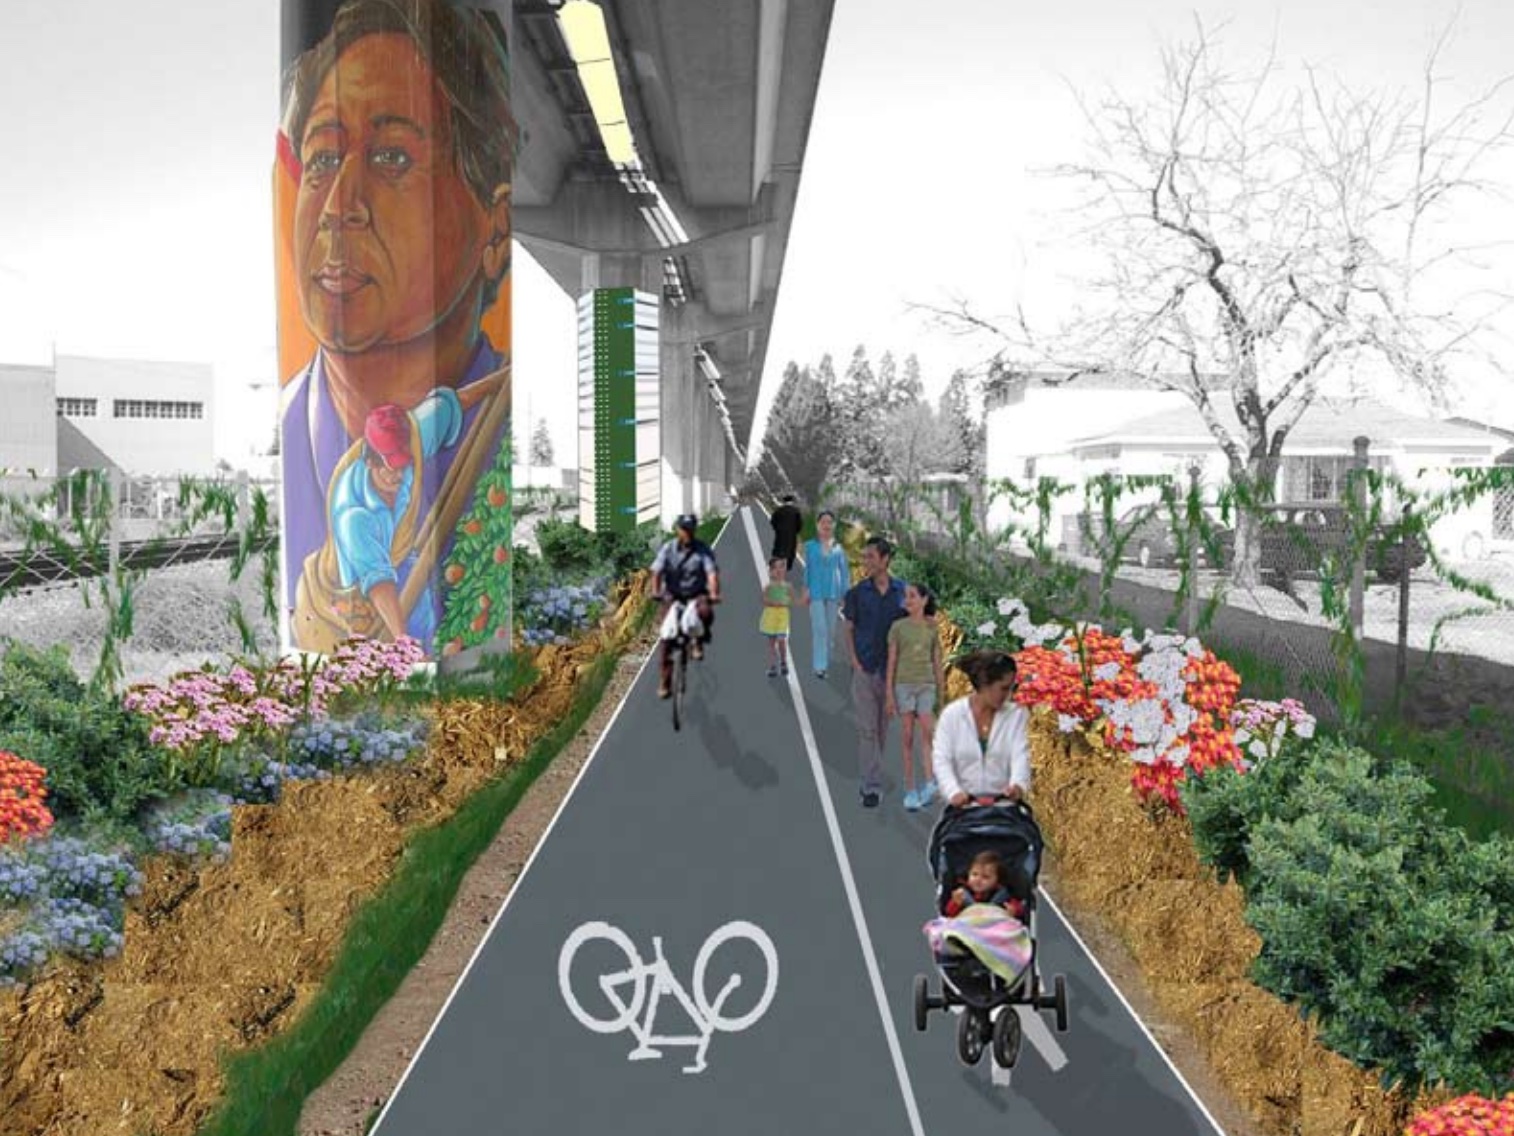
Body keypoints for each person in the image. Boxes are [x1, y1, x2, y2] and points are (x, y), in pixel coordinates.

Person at [277, 0, 518, 657]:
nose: (338, 207)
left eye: (390, 157)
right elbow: (383, 589)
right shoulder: (353, 508)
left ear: (494, 231)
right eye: (322, 160)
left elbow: (444, 409)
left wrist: (494, 387)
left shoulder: (452, 427)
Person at [842, 535, 907, 807]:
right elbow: (848, 628)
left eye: (870, 556)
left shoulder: (903, 592)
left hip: (890, 674)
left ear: (885, 559)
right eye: (865, 556)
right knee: (868, 730)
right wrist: (855, 661)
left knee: (881, 729)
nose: (866, 561)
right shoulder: (857, 593)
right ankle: (871, 786)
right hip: (865, 670)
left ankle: (873, 772)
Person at [933, 650, 1032, 809]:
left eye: (1011, 689)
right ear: (985, 685)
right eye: (1004, 688)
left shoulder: (1016, 716)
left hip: (1004, 806)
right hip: (964, 807)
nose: (1008, 695)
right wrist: (954, 792)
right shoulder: (952, 716)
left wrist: (1017, 785)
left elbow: (1020, 755)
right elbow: (942, 759)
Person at [885, 582, 945, 811]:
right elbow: (892, 661)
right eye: (905, 596)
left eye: (912, 596)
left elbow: (937, 661)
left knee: (929, 733)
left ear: (924, 600)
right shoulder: (897, 627)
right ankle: (910, 788)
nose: (907, 600)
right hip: (904, 686)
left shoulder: (932, 628)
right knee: (908, 737)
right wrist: (890, 695)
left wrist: (941, 692)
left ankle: (931, 783)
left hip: (926, 686)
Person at [650, 514, 721, 699]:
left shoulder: (703, 550)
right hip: (672, 596)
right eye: (684, 529)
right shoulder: (668, 549)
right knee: (665, 641)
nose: (687, 533)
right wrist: (656, 592)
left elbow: (711, 573)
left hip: (696, 595)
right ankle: (664, 681)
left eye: (690, 530)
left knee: (706, 611)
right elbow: (656, 572)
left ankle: (698, 640)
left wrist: (713, 593)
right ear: (678, 530)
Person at [797, 509, 849, 679]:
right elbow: (808, 569)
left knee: (831, 630)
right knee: (819, 629)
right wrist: (805, 590)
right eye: (823, 522)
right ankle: (820, 666)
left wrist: (845, 594)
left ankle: (825, 655)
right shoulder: (811, 546)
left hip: (834, 591)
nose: (826, 525)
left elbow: (844, 572)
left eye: (829, 522)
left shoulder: (839, 548)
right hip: (816, 591)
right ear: (818, 525)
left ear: (833, 525)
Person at [943, 851, 1027, 920]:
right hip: (968, 928)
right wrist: (955, 903)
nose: (978, 880)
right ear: (968, 874)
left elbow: (1018, 907)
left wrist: (1013, 911)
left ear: (997, 881)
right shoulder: (962, 894)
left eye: (985, 877)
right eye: (974, 874)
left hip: (993, 930)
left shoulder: (1002, 895)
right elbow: (949, 913)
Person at [760, 557, 793, 678]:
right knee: (772, 644)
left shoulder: (787, 586)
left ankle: (783, 662)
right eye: (775, 568)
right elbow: (764, 600)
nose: (778, 570)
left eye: (781, 567)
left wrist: (785, 602)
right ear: (770, 571)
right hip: (770, 617)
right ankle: (773, 666)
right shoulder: (768, 587)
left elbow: (791, 600)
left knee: (781, 640)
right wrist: (774, 603)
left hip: (782, 617)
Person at [769, 493, 803, 572]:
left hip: (780, 534)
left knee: (778, 548)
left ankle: (775, 565)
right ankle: (788, 567)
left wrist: (777, 529)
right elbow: (799, 525)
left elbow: (773, 521)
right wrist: (795, 531)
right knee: (790, 549)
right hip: (791, 535)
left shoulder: (779, 510)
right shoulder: (796, 512)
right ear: (792, 502)